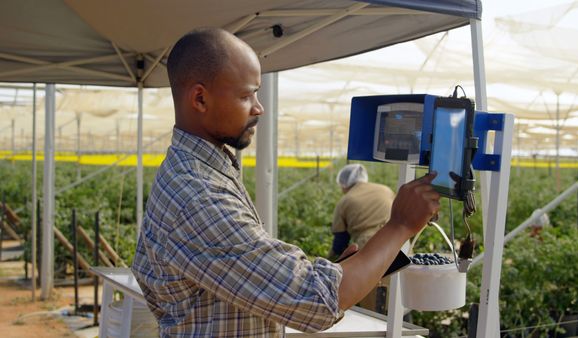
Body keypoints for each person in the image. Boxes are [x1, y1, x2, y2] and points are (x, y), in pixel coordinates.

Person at [131, 27, 441, 337]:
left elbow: (245, 281)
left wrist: (345, 270)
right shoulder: (197, 195)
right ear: (200, 98)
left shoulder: (197, 170)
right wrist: (399, 224)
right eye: (245, 95)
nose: (258, 107)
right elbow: (318, 303)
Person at [330, 164, 395, 313]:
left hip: (368, 247)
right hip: (396, 242)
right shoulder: (385, 190)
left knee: (373, 301)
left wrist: (329, 262)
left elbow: (340, 243)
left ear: (344, 184)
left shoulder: (346, 200)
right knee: (396, 296)